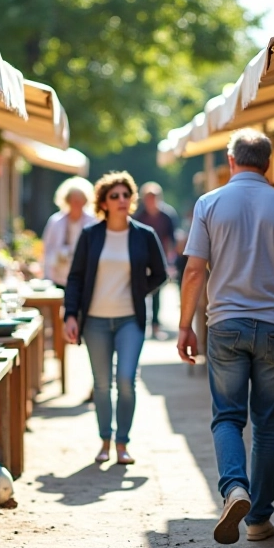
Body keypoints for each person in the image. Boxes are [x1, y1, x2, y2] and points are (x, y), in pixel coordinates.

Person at [177, 129, 274, 544]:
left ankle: (234, 488)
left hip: (225, 326)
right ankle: (258, 519)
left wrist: (185, 324)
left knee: (227, 417)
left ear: (231, 160)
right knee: (269, 425)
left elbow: (194, 271)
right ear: (268, 163)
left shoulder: (209, 203)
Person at [63, 171, 168, 465]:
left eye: (126, 195)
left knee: (125, 380)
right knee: (100, 384)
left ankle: (123, 443)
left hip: (129, 321)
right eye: (115, 196)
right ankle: (104, 442)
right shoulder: (90, 235)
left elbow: (160, 274)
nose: (122, 200)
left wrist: (138, 290)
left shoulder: (144, 235)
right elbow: (75, 278)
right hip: (95, 321)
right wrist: (70, 314)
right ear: (104, 203)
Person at [133, 182, 178, 339]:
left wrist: (171, 261)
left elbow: (172, 239)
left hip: (160, 258)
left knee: (157, 290)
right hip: (141, 257)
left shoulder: (167, 215)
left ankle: (155, 324)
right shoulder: (138, 215)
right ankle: (141, 323)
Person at [41, 176, 98, 289]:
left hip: (84, 277)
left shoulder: (93, 221)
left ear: (85, 201)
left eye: (79, 199)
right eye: (73, 199)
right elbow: (47, 248)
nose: (76, 203)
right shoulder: (56, 221)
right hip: (58, 276)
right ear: (67, 200)